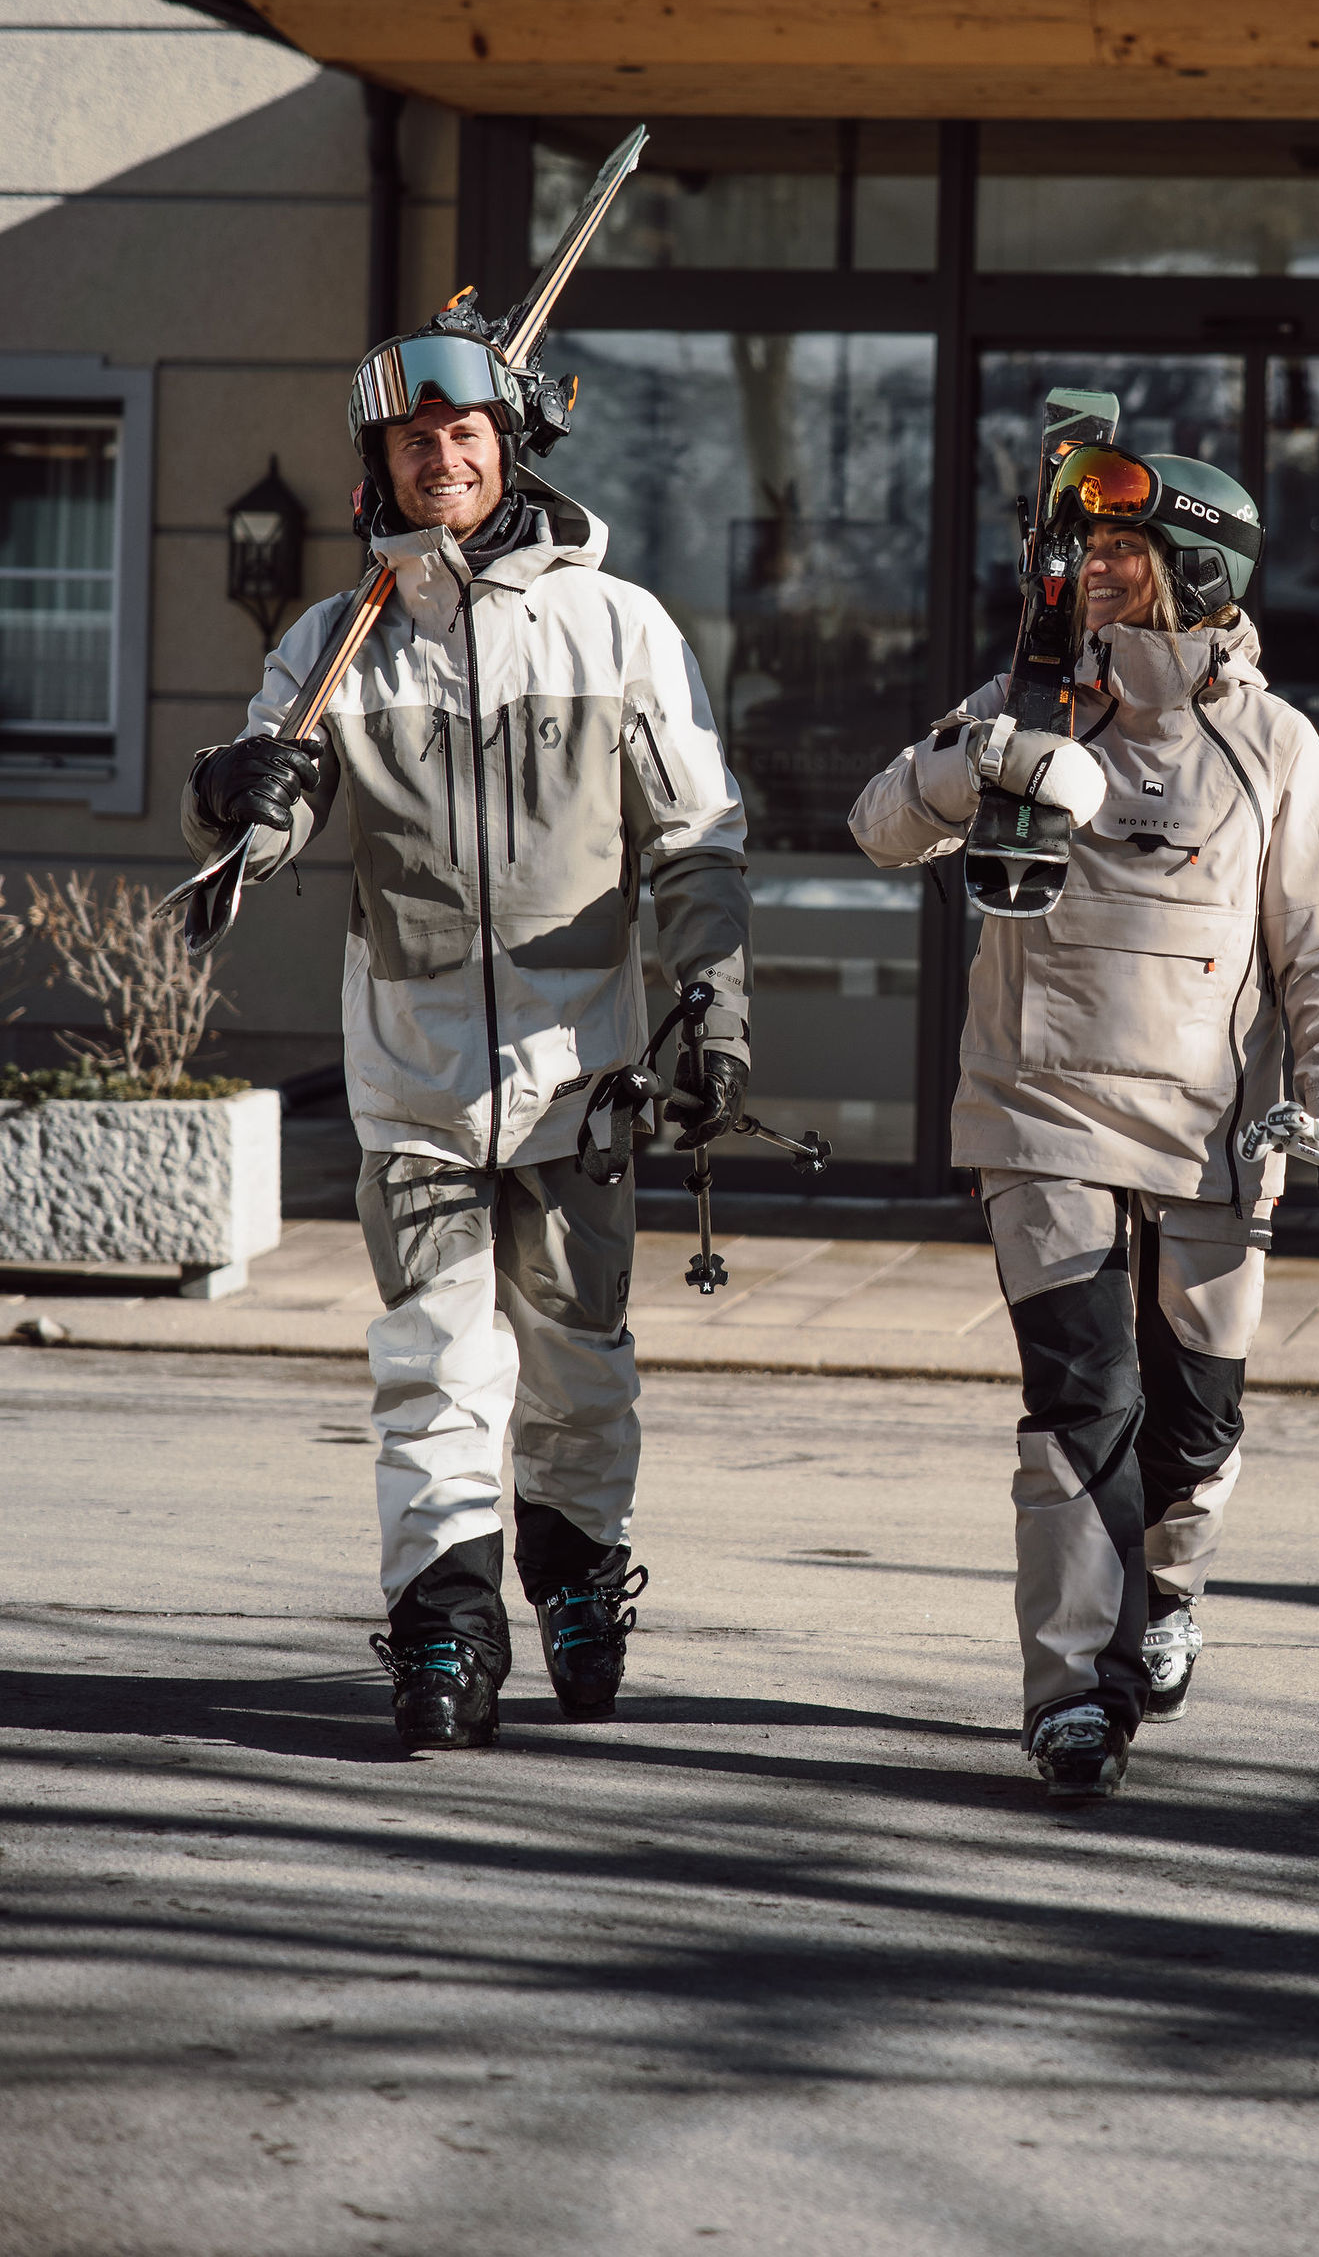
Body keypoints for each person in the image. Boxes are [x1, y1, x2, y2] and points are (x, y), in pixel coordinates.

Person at [181, 303, 750, 1755]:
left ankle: (571, 1582)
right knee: (433, 1360)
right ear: (382, 462)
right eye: (415, 438)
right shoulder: (335, 640)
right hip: (416, 1075)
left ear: (510, 447)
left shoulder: (617, 626)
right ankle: (445, 1617)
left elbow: (693, 839)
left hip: (587, 1074)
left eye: (465, 432)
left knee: (576, 1361)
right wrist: (239, 795)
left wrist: (709, 999)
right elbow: (282, 791)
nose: (443, 456)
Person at [849, 440, 1319, 1801]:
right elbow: (874, 829)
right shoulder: (1026, 699)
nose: (1089, 574)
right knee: (1080, 1403)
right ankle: (1072, 1695)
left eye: (1119, 555)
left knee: (1193, 1421)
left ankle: (1165, 1590)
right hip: (1036, 1113)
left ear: (1198, 570)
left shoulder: (1275, 745)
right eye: (1082, 552)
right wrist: (974, 765)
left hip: (1214, 1133)